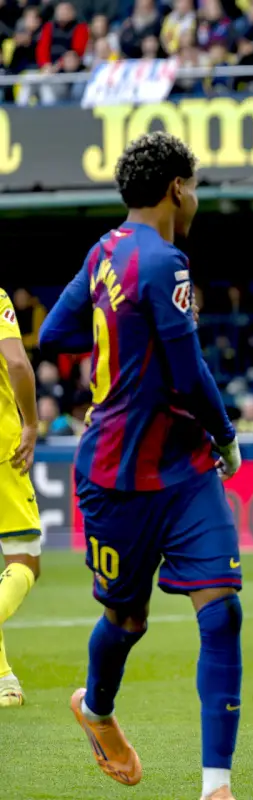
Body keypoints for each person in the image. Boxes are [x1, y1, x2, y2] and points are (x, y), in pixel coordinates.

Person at [39, 131, 244, 800]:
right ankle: (95, 710)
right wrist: (226, 433)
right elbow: (187, 373)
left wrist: (118, 345)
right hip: (120, 478)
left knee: (221, 611)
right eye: (197, 187)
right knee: (125, 621)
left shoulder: (105, 253)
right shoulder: (164, 262)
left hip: (181, 474)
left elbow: (55, 336)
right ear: (177, 188)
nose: (196, 199)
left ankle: (217, 788)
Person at [0, 287, 42, 708]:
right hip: (2, 450)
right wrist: (30, 423)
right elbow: (16, 361)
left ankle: (4, 681)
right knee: (26, 561)